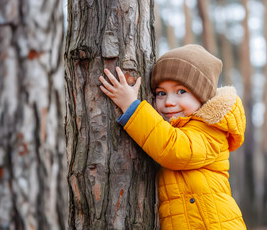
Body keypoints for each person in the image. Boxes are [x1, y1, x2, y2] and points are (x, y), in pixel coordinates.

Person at [99, 44, 246, 229]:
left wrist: (131, 107)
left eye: (181, 91)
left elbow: (174, 149)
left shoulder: (212, 130)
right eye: (161, 93)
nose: (168, 102)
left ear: (202, 97)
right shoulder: (173, 129)